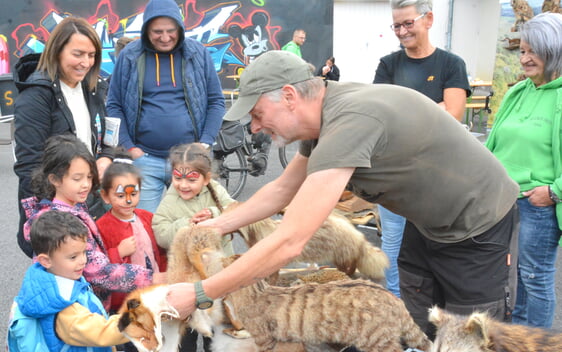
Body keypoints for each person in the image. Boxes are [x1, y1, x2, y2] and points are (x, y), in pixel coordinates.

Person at [165, 51, 520, 339]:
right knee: (421, 328)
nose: (255, 127)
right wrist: (218, 225)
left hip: (477, 225)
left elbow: (290, 240)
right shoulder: (321, 117)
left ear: (289, 96)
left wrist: (200, 292)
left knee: (473, 338)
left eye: (257, 114)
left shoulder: (349, 122)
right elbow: (282, 189)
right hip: (427, 224)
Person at [373, 0, 471, 298]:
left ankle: (431, 313)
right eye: (396, 25)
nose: (401, 32)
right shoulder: (388, 65)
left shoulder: (451, 64)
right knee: (392, 245)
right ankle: (397, 309)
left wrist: (405, 113)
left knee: (437, 247)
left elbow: (454, 113)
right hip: (395, 178)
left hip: (438, 180)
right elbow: (382, 117)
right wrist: (433, 109)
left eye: (407, 23)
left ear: (428, 19)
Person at [21, 134, 166, 310]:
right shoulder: (60, 224)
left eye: (89, 177)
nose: (86, 185)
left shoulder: (73, 206)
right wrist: (153, 278)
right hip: (75, 307)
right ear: (54, 180)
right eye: (77, 178)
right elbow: (97, 271)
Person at [106, 0, 225, 213]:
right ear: (146, 31)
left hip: (189, 160)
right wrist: (130, 148)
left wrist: (205, 143)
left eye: (171, 31)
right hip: (145, 159)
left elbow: (216, 101)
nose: (165, 37)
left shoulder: (197, 54)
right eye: (157, 31)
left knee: (190, 226)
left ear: (180, 28)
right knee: (144, 226)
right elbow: (114, 105)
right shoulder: (130, 56)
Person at [13, 16, 113, 259]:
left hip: (91, 200)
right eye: (77, 54)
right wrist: (49, 215)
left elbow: (106, 137)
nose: (85, 62)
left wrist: (106, 157)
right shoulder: (37, 94)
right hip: (54, 208)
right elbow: (29, 165)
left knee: (93, 280)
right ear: (57, 51)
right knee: (62, 286)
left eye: (91, 55)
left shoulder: (93, 88)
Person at [486, 12, 562, 329]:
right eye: (523, 51)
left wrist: (555, 191)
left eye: (534, 51)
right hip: (505, 201)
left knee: (535, 279)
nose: (525, 59)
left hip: (538, 205)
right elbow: (492, 144)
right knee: (514, 280)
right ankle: (518, 338)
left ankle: (539, 345)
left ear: (554, 50)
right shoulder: (519, 92)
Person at [152, 142, 234, 352]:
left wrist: (215, 216)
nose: (183, 185)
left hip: (218, 279)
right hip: (185, 283)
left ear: (206, 179)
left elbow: (235, 211)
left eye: (191, 179)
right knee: (184, 337)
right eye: (177, 178)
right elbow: (161, 233)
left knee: (217, 335)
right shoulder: (170, 201)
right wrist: (187, 224)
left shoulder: (216, 191)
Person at [9, 210, 129, 352]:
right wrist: (143, 319)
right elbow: (103, 332)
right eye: (73, 257)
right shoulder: (64, 306)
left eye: (84, 252)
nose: (83, 261)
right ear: (45, 260)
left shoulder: (47, 280)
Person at [96, 150, 167, 315]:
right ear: (105, 196)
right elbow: (98, 265)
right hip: (123, 302)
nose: (128, 201)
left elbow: (162, 252)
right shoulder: (101, 226)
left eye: (134, 194)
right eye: (120, 195)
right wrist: (118, 252)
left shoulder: (148, 218)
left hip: (154, 292)